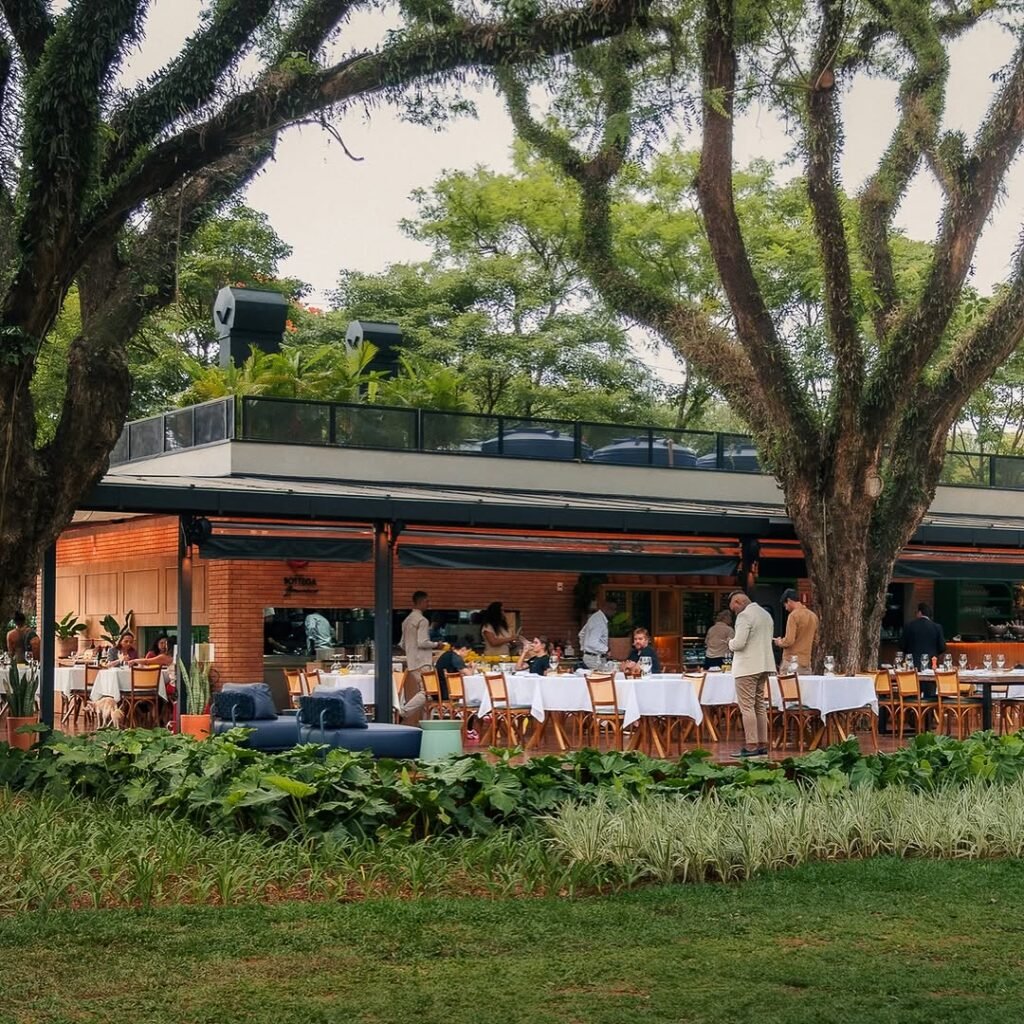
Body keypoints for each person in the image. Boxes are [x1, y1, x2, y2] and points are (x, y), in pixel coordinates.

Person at [727, 591, 776, 758]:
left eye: (734, 608)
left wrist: (730, 643)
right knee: (760, 705)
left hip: (747, 667)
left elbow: (739, 643)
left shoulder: (744, 616)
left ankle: (751, 745)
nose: (735, 612)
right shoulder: (765, 614)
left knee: (747, 707)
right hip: (764, 665)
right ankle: (762, 743)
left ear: (739, 601)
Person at [400, 590, 439, 724]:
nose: (428, 604)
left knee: (426, 693)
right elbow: (422, 642)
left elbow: (402, 644)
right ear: (421, 602)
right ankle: (404, 711)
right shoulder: (422, 620)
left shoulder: (407, 620)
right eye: (427, 601)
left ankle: (424, 721)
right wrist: (437, 644)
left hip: (412, 662)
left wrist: (411, 652)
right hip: (423, 662)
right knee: (428, 691)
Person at [901, 603, 947, 698]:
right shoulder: (937, 627)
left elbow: (901, 645)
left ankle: (912, 712)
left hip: (912, 667)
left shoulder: (909, 626)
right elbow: (942, 647)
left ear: (919, 612)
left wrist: (909, 653)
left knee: (911, 695)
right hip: (931, 666)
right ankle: (928, 712)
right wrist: (934, 654)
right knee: (929, 696)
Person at [773, 589, 819, 672]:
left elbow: (789, 641)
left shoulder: (793, 616)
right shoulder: (813, 616)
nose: (786, 608)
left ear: (789, 601)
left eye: (785, 605)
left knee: (786, 685)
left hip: (791, 662)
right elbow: (815, 640)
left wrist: (779, 642)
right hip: (806, 662)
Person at [579, 599, 617, 669]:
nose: (614, 612)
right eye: (613, 609)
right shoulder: (599, 622)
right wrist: (607, 650)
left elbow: (581, 634)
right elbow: (592, 643)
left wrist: (584, 648)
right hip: (595, 659)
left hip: (591, 656)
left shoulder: (595, 617)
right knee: (601, 678)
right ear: (606, 608)